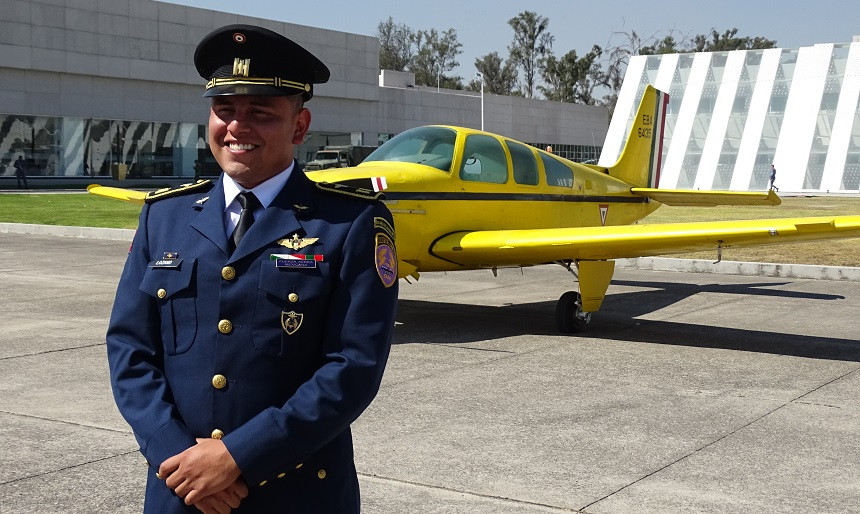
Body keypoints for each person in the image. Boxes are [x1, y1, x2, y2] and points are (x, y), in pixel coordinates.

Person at [106, 24, 399, 513]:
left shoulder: (350, 224)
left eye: (260, 113)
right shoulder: (165, 217)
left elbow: (354, 367)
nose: (237, 126)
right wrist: (176, 455)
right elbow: (130, 348)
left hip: (297, 492)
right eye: (225, 110)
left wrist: (237, 458)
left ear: (299, 127)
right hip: (182, 491)